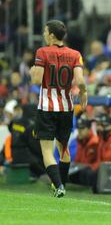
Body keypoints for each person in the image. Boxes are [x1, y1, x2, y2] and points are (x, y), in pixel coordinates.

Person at [30, 20, 88, 198]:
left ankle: (59, 185)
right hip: (66, 107)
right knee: (64, 149)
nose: (44, 34)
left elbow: (37, 80)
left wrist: (33, 71)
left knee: (47, 150)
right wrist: (84, 94)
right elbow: (80, 81)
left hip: (47, 107)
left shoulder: (42, 52)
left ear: (52, 35)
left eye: (45, 31)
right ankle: (61, 185)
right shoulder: (75, 54)